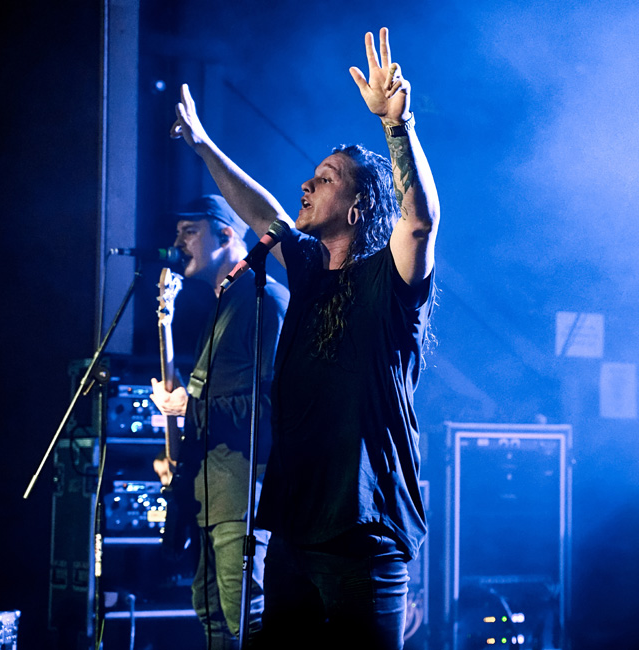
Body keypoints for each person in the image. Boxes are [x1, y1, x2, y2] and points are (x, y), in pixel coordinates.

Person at [169, 27, 439, 649]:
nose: (307, 186)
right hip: (292, 529)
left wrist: (396, 126)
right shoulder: (311, 274)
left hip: (361, 534)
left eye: (326, 178)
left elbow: (420, 220)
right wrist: (205, 147)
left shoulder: (390, 281)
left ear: (359, 206)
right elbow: (263, 212)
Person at [149, 195, 289, 649]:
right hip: (208, 495)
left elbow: (275, 407)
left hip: (242, 496)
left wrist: (187, 408)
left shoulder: (264, 299)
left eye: (189, 231)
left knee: (248, 619)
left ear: (227, 234)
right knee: (212, 619)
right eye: (178, 233)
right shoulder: (224, 303)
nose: (178, 242)